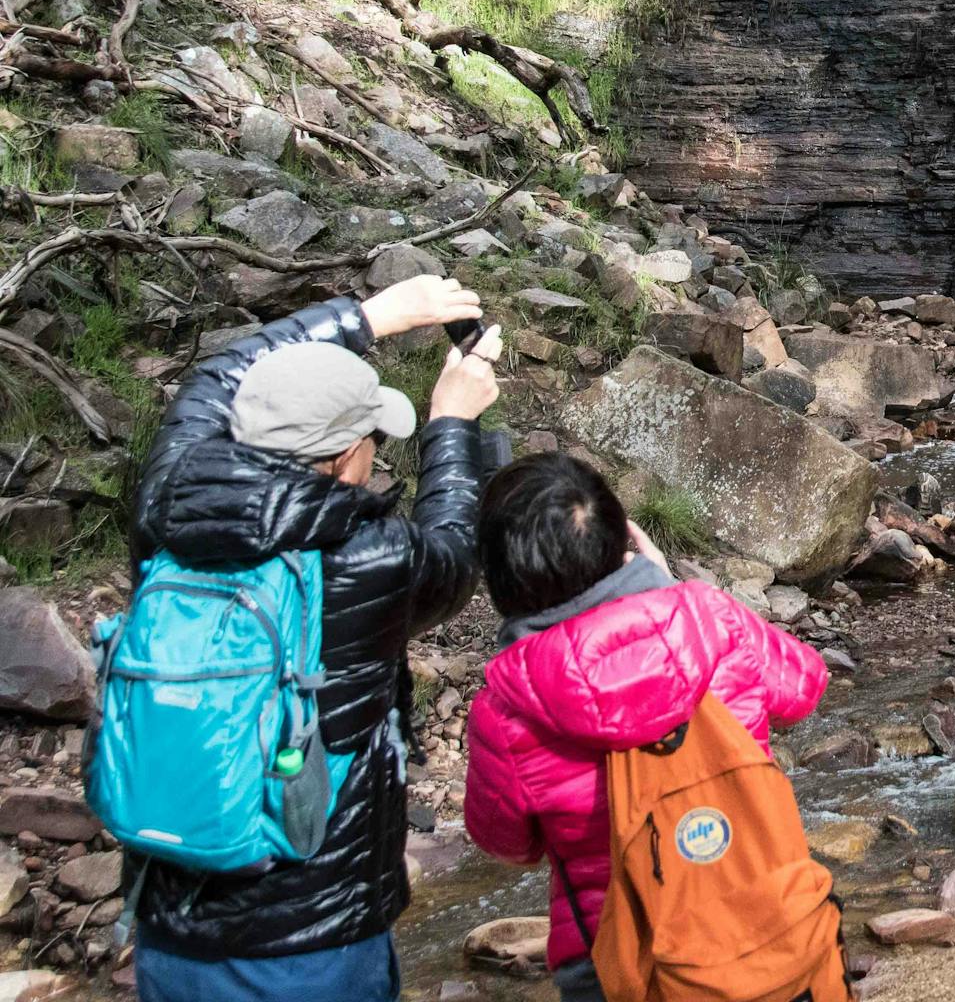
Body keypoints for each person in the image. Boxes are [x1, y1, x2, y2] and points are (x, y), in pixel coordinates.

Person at [128, 274, 502, 1002]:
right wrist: (452, 423)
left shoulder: (167, 502)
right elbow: (454, 550)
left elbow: (213, 379)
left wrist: (367, 318)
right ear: (342, 461)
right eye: (369, 438)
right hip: (313, 942)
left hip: (167, 926)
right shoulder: (367, 559)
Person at [462, 453, 830, 1002]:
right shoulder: (710, 616)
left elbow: (508, 843)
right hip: (755, 920)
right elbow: (806, 687)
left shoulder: (505, 706)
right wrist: (662, 589)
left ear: (500, 578)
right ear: (619, 534)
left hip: (613, 956)